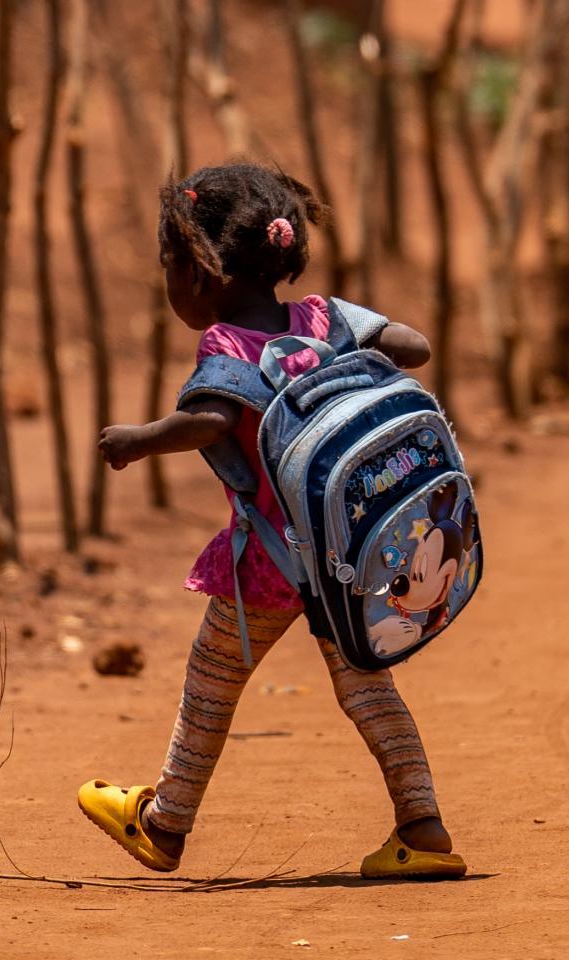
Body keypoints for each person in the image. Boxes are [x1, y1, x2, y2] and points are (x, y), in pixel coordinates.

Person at [76, 162, 461, 880]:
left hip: (271, 563)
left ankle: (164, 824)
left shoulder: (227, 346)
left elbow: (210, 420)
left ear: (197, 271)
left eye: (168, 266)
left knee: (212, 682)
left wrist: (137, 440)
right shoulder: (326, 318)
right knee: (369, 687)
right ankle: (422, 826)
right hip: (352, 559)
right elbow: (413, 347)